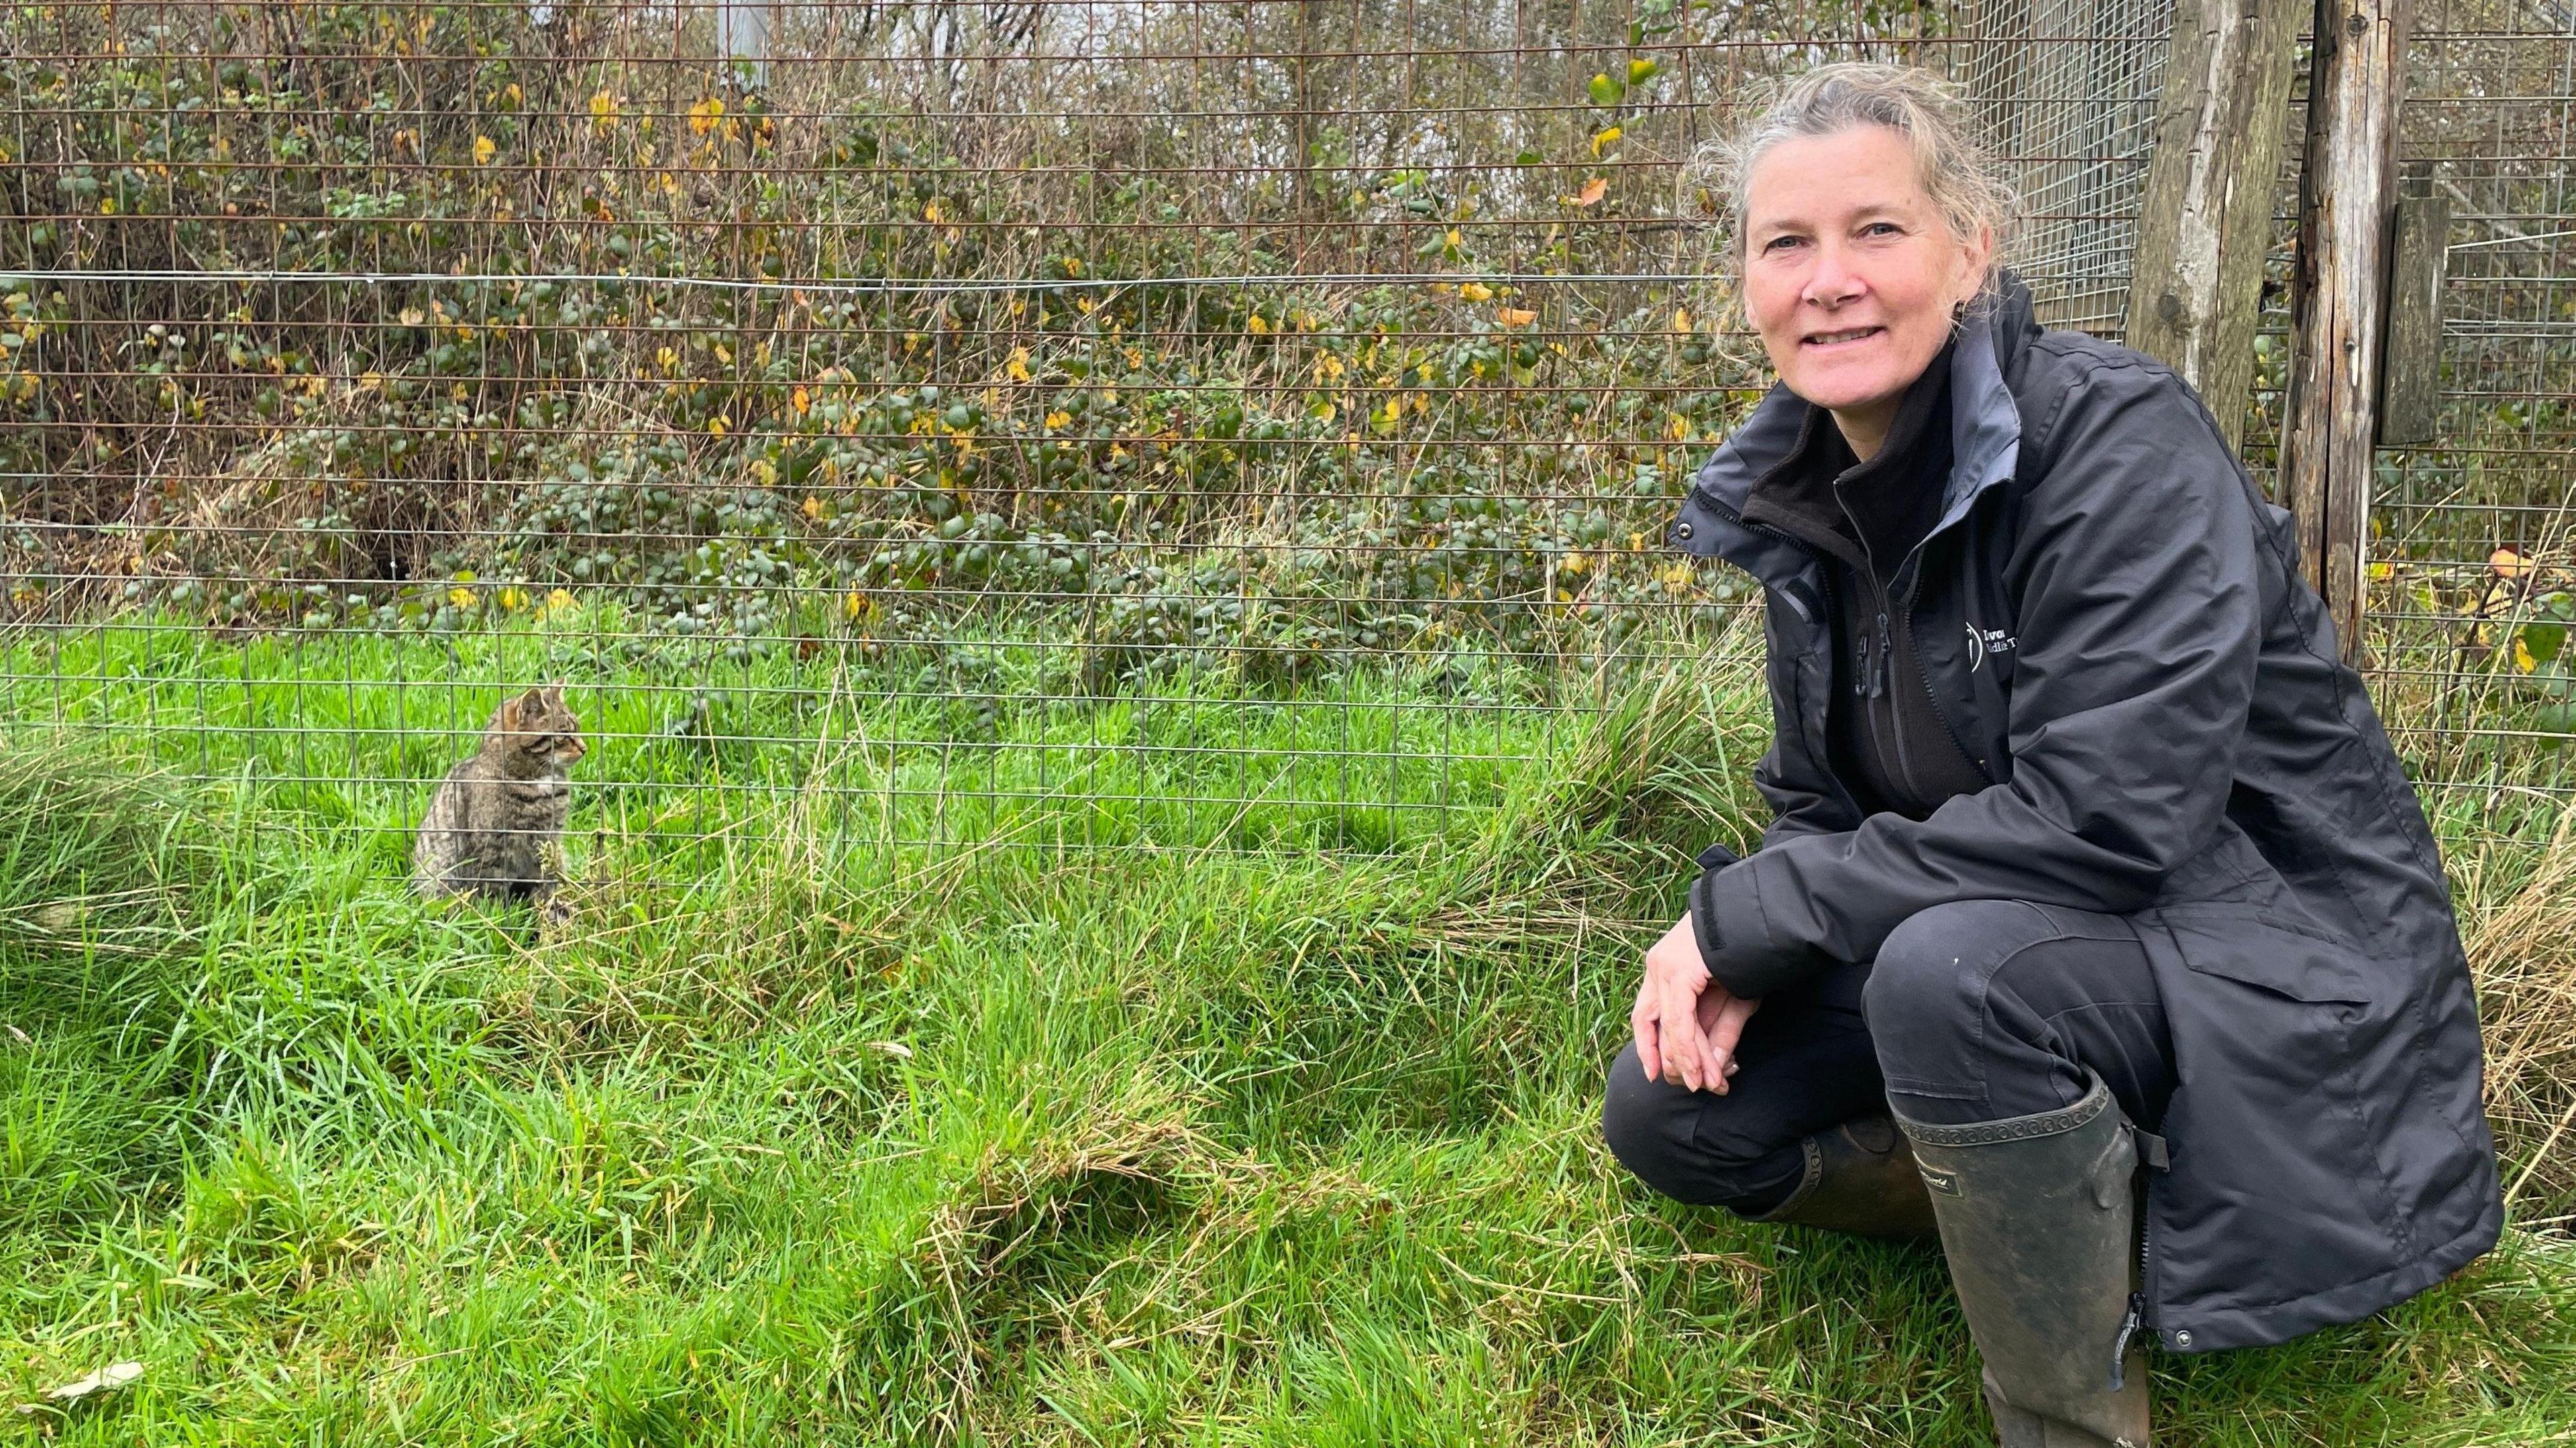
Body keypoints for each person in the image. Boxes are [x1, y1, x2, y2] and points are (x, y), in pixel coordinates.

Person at [1601, 62, 2502, 1448]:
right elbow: (1816, 804)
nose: (1829, 279)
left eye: (1877, 231)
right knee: (1677, 1116)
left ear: (1973, 250)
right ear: (1746, 285)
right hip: (2021, 951)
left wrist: (1753, 912)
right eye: (1787, 244)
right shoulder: (1802, 489)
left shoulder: (2112, 440)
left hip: (2252, 950)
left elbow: (2111, 820)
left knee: (1951, 979)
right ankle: (2071, 1221)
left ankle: (2071, 1415)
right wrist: (1754, 948)